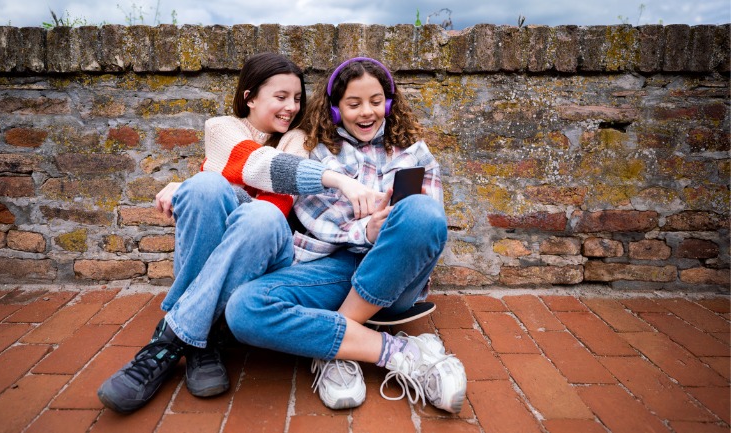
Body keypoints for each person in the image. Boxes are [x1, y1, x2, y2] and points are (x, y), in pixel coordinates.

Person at [97, 53, 380, 413]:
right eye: (280, 97)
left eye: (296, 98)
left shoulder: (298, 140)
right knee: (204, 189)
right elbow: (253, 164)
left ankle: (168, 339)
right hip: (231, 256)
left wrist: (191, 182)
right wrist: (337, 180)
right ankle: (203, 342)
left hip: (269, 257)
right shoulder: (221, 128)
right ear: (249, 97)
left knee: (259, 214)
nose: (291, 107)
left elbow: (276, 193)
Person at [225, 57, 467, 413]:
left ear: (388, 102)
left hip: (393, 279)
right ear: (336, 109)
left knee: (423, 212)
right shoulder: (315, 153)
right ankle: (400, 353)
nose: (367, 112)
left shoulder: (416, 153)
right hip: (333, 268)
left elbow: (425, 229)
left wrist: (391, 230)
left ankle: (329, 342)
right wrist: (367, 230)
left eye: (375, 101)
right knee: (243, 309)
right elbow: (319, 220)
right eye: (353, 104)